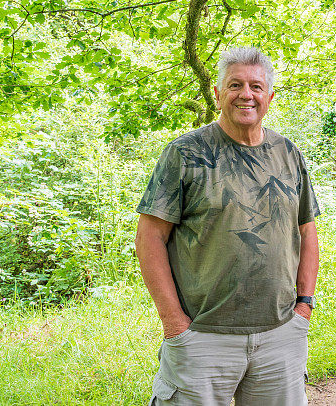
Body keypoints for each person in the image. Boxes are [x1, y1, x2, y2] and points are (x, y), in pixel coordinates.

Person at [135, 46, 320, 406]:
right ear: (218, 94)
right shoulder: (185, 153)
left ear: (269, 95)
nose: (246, 95)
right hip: (203, 335)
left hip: (281, 334)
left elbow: (306, 230)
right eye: (235, 85)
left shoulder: (288, 153)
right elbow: (150, 237)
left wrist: (304, 307)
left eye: (256, 86)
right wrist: (174, 323)